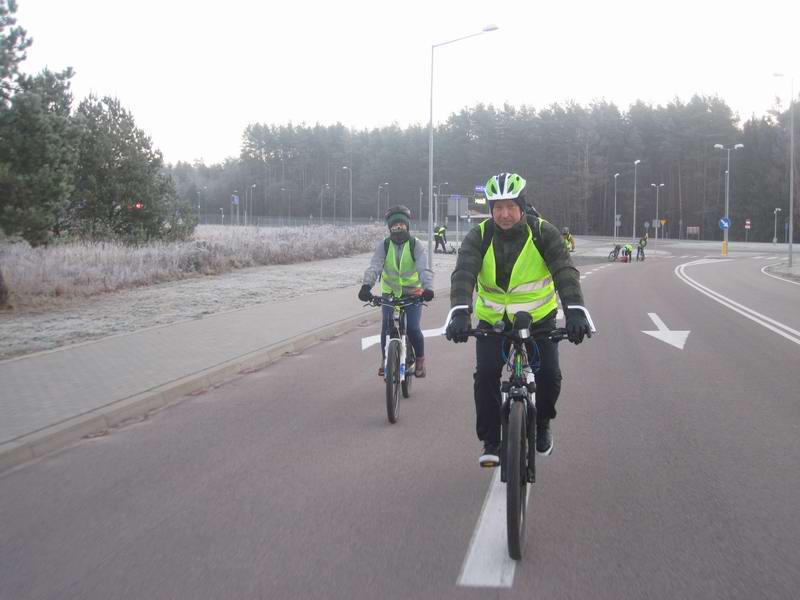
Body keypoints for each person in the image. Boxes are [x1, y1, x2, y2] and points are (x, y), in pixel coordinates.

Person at [445, 172, 591, 466]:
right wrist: (460, 310)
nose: (505, 214)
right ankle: (491, 441)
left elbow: (564, 269)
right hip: (493, 319)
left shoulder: (543, 233)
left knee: (549, 375)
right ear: (491, 210)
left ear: (522, 207)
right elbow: (464, 272)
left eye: (511, 206)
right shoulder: (481, 235)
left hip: (538, 319)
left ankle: (542, 424)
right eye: (498, 208)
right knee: (486, 374)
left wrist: (575, 309)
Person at [359, 205, 434, 378]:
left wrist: (428, 288)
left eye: (401, 226)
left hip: (414, 294)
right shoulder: (384, 246)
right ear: (390, 228)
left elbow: (423, 269)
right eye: (394, 227)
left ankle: (420, 359)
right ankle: (386, 359)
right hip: (390, 294)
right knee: (386, 326)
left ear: (407, 226)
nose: (398, 229)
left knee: (414, 328)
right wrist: (366, 286)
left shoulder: (415, 245)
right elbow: (374, 267)